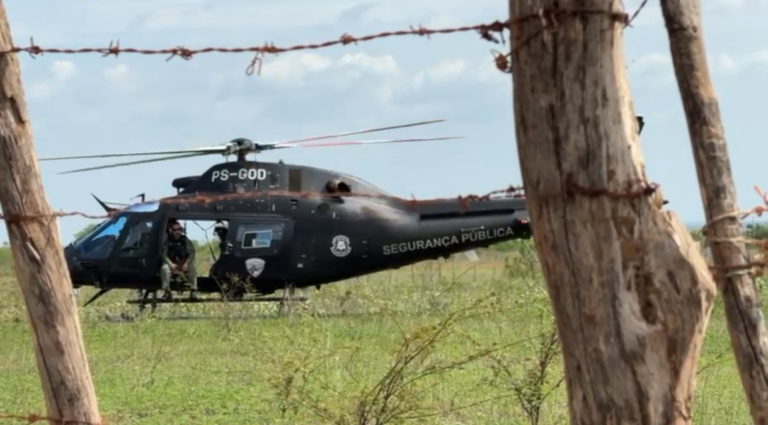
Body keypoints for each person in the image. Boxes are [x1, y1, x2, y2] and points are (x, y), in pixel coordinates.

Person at [159, 220, 199, 300]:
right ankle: (167, 292)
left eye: (179, 229)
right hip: (172, 264)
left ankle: (194, 291)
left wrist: (186, 263)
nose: (177, 232)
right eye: (175, 230)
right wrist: (171, 264)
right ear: (171, 230)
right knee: (164, 268)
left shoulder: (185, 240)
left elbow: (192, 253)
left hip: (183, 264)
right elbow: (163, 254)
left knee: (192, 268)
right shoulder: (167, 241)